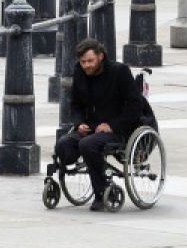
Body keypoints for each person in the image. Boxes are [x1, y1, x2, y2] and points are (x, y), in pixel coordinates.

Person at [53, 38, 142, 211]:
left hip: (118, 127)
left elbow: (135, 105)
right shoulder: (80, 72)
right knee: (63, 143)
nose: (86, 65)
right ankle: (70, 174)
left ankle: (101, 191)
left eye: (90, 61)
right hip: (91, 126)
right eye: (83, 61)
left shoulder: (119, 71)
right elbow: (76, 104)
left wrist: (112, 125)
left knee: (88, 144)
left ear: (100, 57)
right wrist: (79, 123)